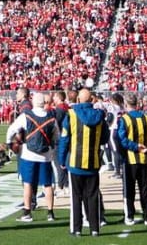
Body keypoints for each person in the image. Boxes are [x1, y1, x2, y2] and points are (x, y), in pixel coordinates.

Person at [59, 86, 108, 237]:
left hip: (75, 162)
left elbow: (64, 139)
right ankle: (94, 228)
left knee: (76, 197)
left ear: (79, 99)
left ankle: (77, 228)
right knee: (92, 196)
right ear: (92, 99)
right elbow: (105, 139)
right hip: (93, 162)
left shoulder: (72, 115)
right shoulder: (100, 116)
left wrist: (62, 160)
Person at [8, 91, 59, 222]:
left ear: (33, 102)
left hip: (28, 154)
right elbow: (56, 136)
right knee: (48, 184)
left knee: (28, 183)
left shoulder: (26, 115)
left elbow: (12, 130)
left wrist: (9, 143)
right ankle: (50, 212)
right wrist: (51, 147)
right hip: (45, 155)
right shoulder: (51, 117)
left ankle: (27, 211)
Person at [116, 91, 147, 226]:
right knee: (145, 188)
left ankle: (130, 216)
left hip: (130, 158)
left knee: (129, 189)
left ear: (126, 104)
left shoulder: (124, 119)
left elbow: (121, 139)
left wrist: (135, 146)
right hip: (143, 157)